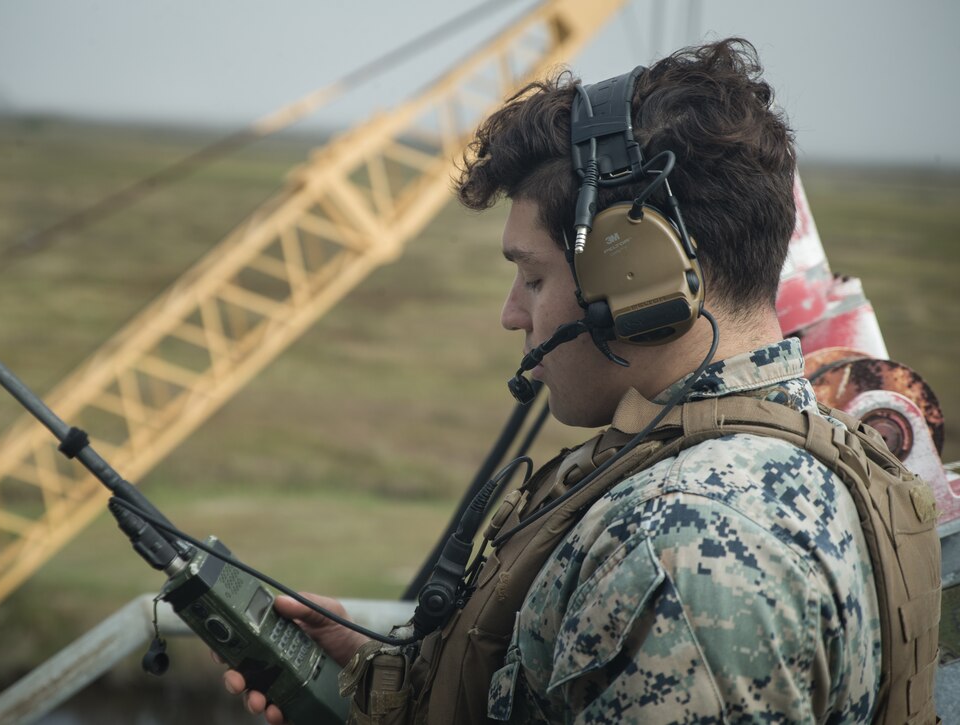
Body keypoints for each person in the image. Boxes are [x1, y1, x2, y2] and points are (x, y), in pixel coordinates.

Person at [221, 37, 939, 724]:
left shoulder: (690, 549)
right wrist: (382, 678)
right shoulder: (788, 453)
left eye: (532, 277)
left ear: (635, 276)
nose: (512, 314)